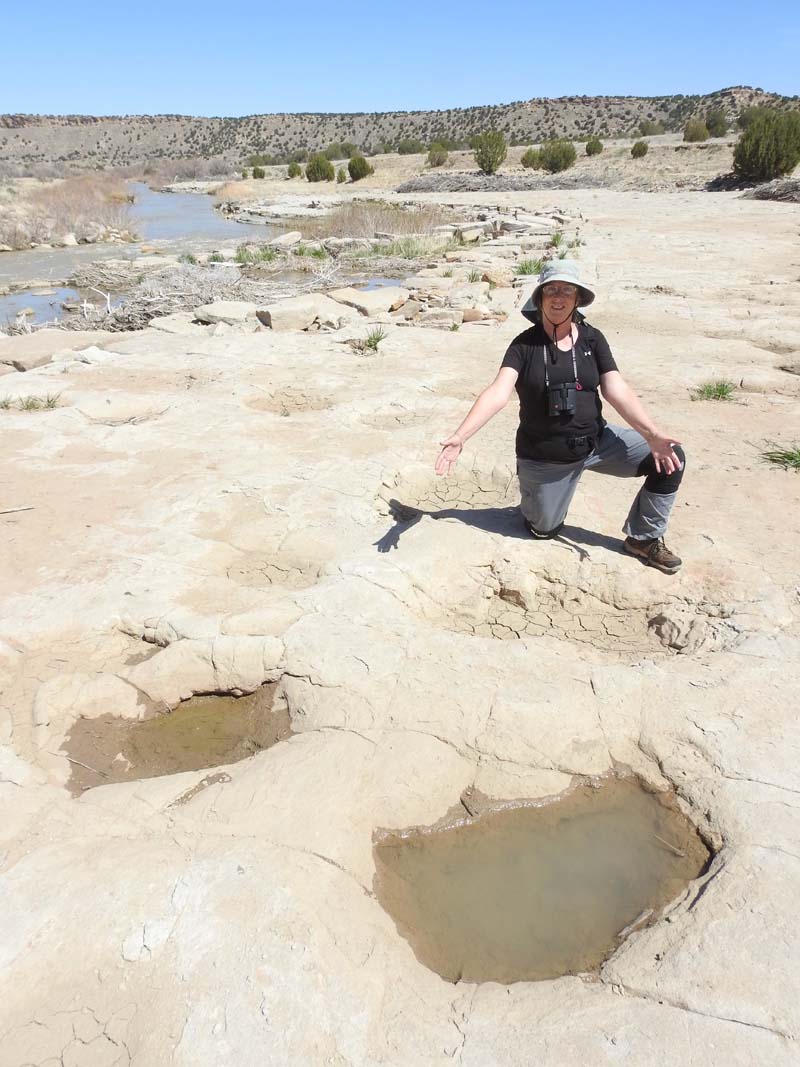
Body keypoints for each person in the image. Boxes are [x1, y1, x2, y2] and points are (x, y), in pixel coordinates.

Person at [434, 260, 685, 574]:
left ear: (577, 298)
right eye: (551, 289)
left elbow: (615, 387)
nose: (558, 296)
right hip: (545, 458)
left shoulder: (593, 339)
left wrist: (651, 434)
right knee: (544, 530)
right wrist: (461, 436)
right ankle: (539, 499)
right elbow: (498, 391)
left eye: (567, 290)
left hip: (597, 443)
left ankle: (643, 539)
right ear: (539, 298)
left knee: (670, 458)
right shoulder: (524, 345)